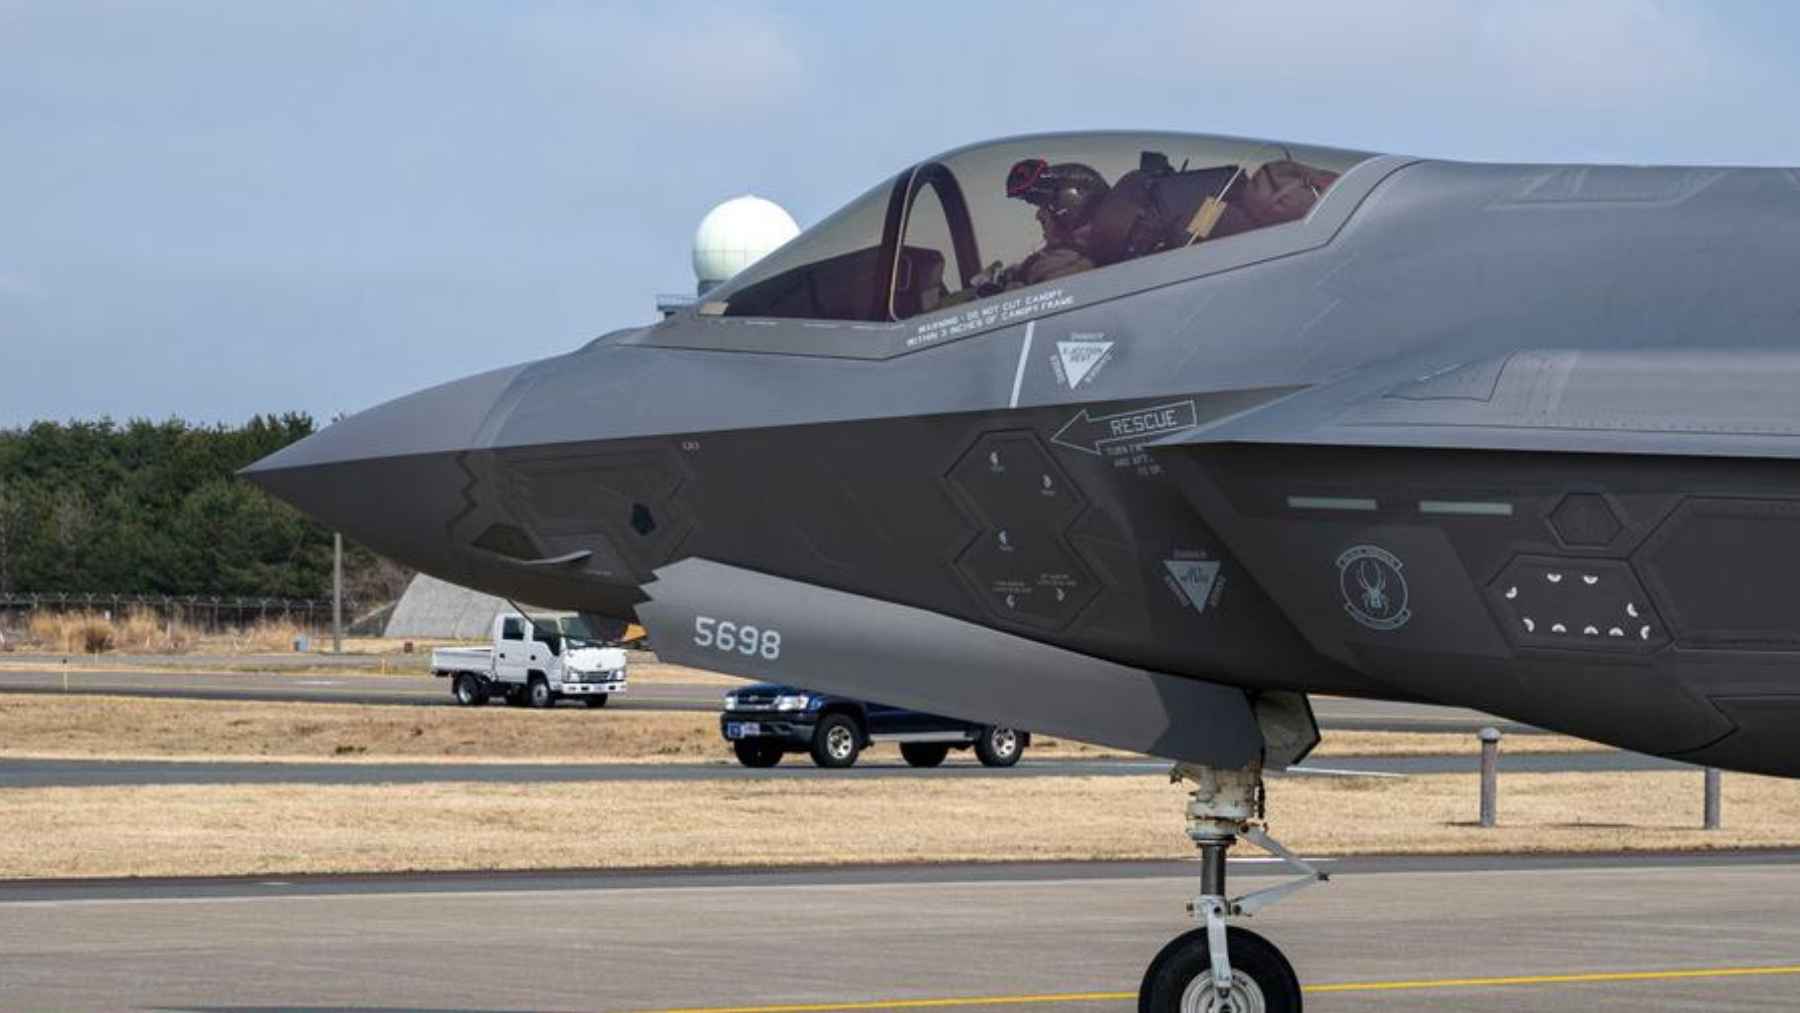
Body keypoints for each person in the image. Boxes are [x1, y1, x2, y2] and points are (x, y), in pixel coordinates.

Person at [969, 159, 1110, 295]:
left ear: (1069, 208)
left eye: (1044, 207)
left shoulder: (1069, 267)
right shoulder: (1060, 255)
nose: (1038, 216)